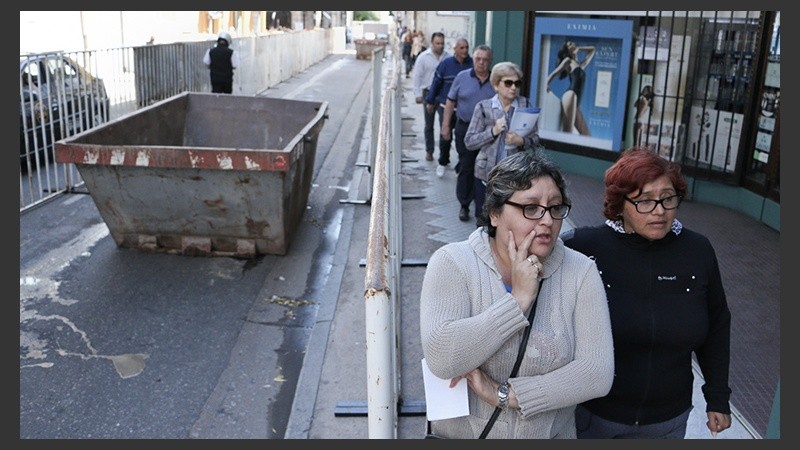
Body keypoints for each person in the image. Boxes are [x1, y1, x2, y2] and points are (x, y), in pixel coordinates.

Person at [420, 149, 614, 439]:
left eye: (555, 207)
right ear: (495, 214)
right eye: (531, 208)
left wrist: (507, 395)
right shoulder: (453, 263)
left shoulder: (580, 271)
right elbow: (443, 358)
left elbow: (596, 373)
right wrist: (518, 301)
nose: (547, 220)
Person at [562, 147, 732, 439]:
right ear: (620, 203)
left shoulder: (697, 250)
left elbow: (717, 325)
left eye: (668, 198)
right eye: (644, 201)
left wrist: (717, 398)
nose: (659, 211)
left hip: (669, 418)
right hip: (596, 414)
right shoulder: (584, 248)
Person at [465, 61, 540, 226]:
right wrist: (493, 131)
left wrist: (521, 141)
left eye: (517, 83)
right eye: (508, 82)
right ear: (496, 85)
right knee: (484, 220)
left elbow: (536, 140)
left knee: (510, 221)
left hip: (515, 175)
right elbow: (469, 142)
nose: (513, 87)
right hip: (486, 174)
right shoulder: (483, 107)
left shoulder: (525, 105)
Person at [441, 44, 495, 222]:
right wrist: (446, 126)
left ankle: (482, 207)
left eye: (485, 60)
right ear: (473, 59)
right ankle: (464, 204)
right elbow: (450, 103)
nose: (481, 63)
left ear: (490, 61)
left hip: (489, 132)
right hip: (464, 128)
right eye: (478, 59)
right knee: (466, 166)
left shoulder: (496, 81)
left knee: (485, 168)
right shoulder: (462, 77)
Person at [425, 38, 472, 178]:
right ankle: (443, 162)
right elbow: (436, 82)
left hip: (464, 109)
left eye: (466, 47)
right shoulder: (446, 64)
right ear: (455, 49)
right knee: (445, 135)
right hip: (446, 107)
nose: (464, 50)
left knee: (463, 139)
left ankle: (461, 164)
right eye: (461, 48)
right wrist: (430, 101)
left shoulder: (472, 65)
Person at [412, 32, 450, 162]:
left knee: (444, 124)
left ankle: (444, 154)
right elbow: (417, 76)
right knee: (429, 124)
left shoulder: (447, 58)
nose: (440, 46)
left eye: (442, 43)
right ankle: (429, 151)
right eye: (437, 43)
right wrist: (417, 94)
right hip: (428, 94)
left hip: (443, 94)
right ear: (432, 43)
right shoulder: (423, 57)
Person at [545, 41, 595, 135]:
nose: (573, 44)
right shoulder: (568, 61)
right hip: (570, 95)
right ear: (567, 50)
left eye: (573, 43)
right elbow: (554, 73)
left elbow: (593, 49)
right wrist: (545, 85)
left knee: (587, 135)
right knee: (568, 134)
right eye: (570, 44)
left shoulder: (581, 65)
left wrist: (579, 48)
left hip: (576, 102)